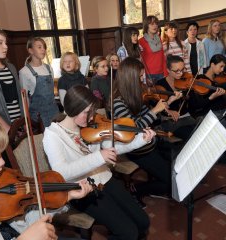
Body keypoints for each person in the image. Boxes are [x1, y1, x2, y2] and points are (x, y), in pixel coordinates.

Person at [43, 85, 152, 240]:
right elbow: (62, 173)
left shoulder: (89, 126)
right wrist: (99, 157)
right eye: (87, 112)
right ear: (73, 109)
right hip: (84, 190)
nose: (92, 117)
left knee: (143, 222)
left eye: (92, 111)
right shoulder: (52, 136)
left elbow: (111, 149)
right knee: (128, 233)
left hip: (105, 179)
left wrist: (141, 140)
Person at [0, 116, 92, 240]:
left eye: (1, 154)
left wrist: (66, 196)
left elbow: (27, 220)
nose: (2, 162)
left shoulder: (0, 179)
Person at [113, 57, 174, 199]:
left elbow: (148, 118)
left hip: (150, 142)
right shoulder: (117, 102)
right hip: (137, 149)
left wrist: (164, 107)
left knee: (176, 163)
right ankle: (137, 190)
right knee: (171, 183)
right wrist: (154, 111)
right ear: (130, 79)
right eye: (140, 77)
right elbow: (133, 129)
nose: (142, 80)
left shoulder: (135, 95)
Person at [0, 27, 22, 133]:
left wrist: (23, 123)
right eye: (0, 43)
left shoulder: (11, 67)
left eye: (5, 43)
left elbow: (19, 99)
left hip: (19, 126)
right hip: (0, 130)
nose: (5, 46)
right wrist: (9, 130)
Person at [19, 37, 59, 128]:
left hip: (54, 112)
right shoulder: (24, 72)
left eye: (44, 47)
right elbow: (25, 100)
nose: (43, 50)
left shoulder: (49, 68)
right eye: (39, 47)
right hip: (38, 117)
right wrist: (26, 120)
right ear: (31, 50)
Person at [156, 55, 197, 140]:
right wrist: (168, 110)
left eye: (182, 70)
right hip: (170, 121)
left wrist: (188, 95)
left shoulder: (186, 81)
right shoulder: (160, 85)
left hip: (187, 117)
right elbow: (156, 106)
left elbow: (194, 103)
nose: (181, 73)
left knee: (199, 130)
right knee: (191, 135)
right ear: (168, 70)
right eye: (177, 71)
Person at [188, 54, 226, 121]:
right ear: (212, 64)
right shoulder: (199, 79)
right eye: (221, 66)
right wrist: (211, 98)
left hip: (221, 110)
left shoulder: (218, 80)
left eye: (224, 67)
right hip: (209, 113)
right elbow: (196, 104)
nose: (222, 70)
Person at [139, 15, 168, 84]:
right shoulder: (141, 41)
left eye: (156, 24)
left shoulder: (159, 39)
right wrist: (144, 76)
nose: (155, 26)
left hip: (161, 73)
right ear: (146, 26)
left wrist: (165, 72)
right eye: (152, 24)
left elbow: (162, 57)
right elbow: (140, 61)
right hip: (149, 74)